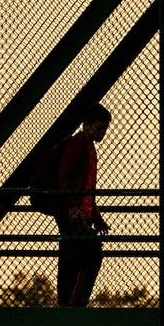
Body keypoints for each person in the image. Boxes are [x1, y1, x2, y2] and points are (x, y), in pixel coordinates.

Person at [55, 103, 112, 307]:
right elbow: (63, 178)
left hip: (80, 214)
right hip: (73, 214)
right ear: (86, 125)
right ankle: (74, 303)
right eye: (99, 127)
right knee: (90, 253)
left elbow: (87, 191)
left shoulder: (89, 148)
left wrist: (97, 219)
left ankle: (70, 303)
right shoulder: (77, 144)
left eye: (105, 128)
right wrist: (71, 208)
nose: (103, 132)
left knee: (75, 257)